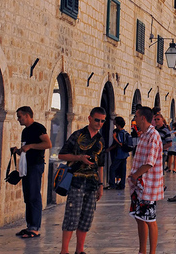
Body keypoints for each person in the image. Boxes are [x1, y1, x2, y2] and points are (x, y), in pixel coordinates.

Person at [58, 107, 106, 254]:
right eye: (97, 120)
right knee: (72, 216)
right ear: (89, 118)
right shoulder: (77, 135)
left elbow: (101, 165)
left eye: (102, 121)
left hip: (92, 183)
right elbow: (62, 155)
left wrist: (101, 185)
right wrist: (79, 158)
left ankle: (80, 250)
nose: (99, 123)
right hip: (76, 181)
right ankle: (64, 250)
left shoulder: (100, 141)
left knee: (86, 218)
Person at [127, 106, 164, 254]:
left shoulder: (153, 136)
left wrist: (135, 175)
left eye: (136, 116)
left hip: (147, 185)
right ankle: (142, 250)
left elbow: (150, 162)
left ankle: (152, 252)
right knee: (139, 217)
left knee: (150, 220)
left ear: (143, 118)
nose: (134, 119)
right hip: (139, 186)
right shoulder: (143, 135)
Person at [12, 106, 51, 238]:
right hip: (26, 166)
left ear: (27, 115)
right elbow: (26, 149)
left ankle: (35, 227)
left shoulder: (38, 128)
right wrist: (19, 150)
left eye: (20, 116)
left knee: (34, 195)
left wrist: (30, 146)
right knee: (28, 195)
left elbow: (47, 144)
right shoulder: (25, 131)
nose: (18, 119)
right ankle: (30, 225)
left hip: (35, 166)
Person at [108, 116, 130, 190]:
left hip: (120, 154)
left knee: (112, 168)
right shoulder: (124, 133)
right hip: (124, 154)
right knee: (123, 170)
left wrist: (114, 138)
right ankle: (122, 185)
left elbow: (120, 144)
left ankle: (112, 184)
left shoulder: (120, 133)